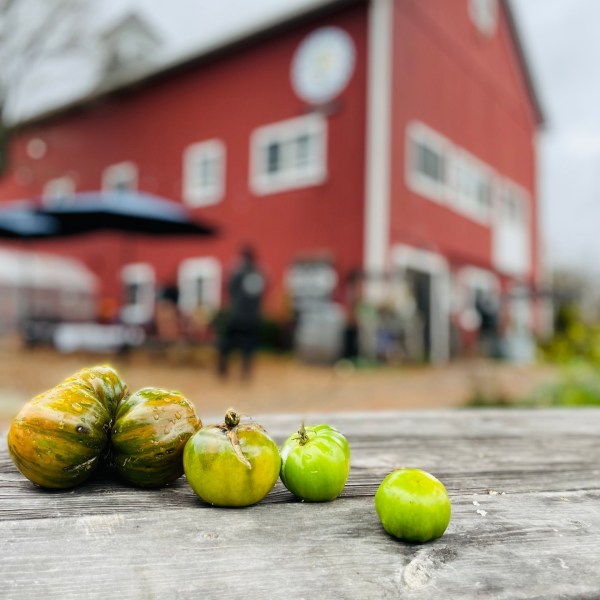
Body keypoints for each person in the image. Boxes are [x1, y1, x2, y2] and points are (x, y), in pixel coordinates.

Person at [217, 244, 265, 379]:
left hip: (236, 315)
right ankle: (245, 372)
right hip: (252, 317)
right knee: (248, 346)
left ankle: (223, 370)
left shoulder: (237, 272)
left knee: (225, 344)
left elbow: (230, 290)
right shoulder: (258, 273)